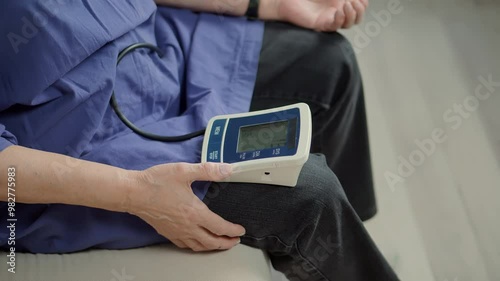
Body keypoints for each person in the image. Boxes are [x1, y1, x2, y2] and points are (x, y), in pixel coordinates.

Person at [0, 0, 398, 280]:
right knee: (311, 193)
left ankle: (343, 251)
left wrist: (267, 4)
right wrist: (137, 194)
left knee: (329, 63)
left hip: (152, 50)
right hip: (76, 150)